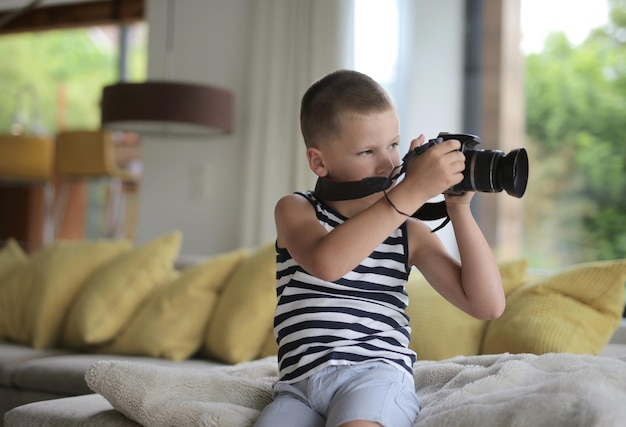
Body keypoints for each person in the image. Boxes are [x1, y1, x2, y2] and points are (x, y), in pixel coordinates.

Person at [253, 69, 505, 427]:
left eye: (393, 144)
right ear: (318, 161)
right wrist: (412, 191)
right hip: (297, 386)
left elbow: (487, 304)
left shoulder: (408, 233)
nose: (388, 163)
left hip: (375, 374)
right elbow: (327, 262)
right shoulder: (297, 209)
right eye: (367, 151)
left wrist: (458, 208)